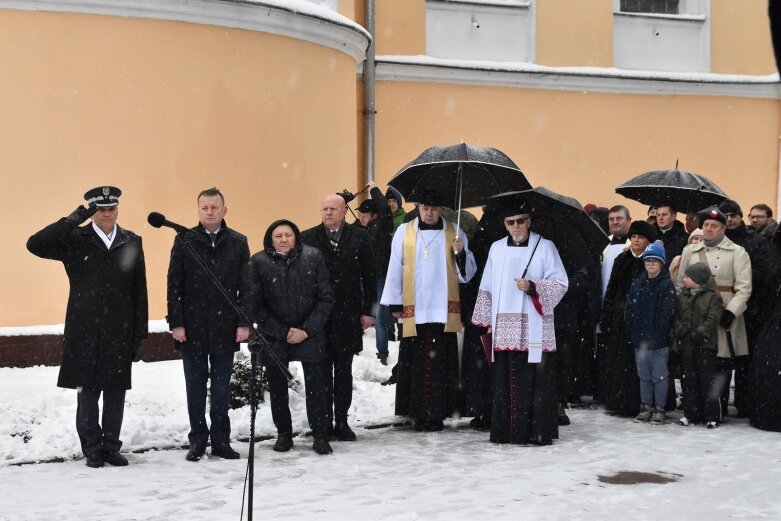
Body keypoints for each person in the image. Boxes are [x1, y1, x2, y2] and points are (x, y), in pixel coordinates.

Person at [27, 186, 148, 468]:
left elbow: (138, 289)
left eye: (111, 208)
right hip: (84, 327)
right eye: (100, 209)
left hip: (120, 328)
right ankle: (92, 447)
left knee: (116, 391)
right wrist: (71, 220)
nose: (106, 214)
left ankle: (111, 446)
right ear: (92, 212)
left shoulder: (131, 240)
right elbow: (35, 245)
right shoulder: (74, 238)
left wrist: (139, 331)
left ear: (117, 209)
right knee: (89, 391)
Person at [472, 200, 568, 445]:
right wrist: (488, 320)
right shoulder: (496, 249)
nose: (516, 226)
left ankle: (536, 431)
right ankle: (506, 431)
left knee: (535, 380)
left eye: (520, 221)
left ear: (529, 221)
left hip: (534, 324)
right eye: (510, 222)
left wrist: (533, 287)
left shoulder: (545, 247)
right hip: (504, 324)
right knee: (506, 379)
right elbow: (487, 285)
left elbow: (560, 283)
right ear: (504, 224)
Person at [381, 188, 477, 431]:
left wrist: (461, 253)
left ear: (442, 210)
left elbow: (466, 275)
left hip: (443, 309)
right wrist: (395, 301)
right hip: (414, 307)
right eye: (425, 208)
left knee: (440, 364)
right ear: (419, 208)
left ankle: (437, 413)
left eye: (434, 209)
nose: (429, 213)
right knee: (414, 361)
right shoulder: (405, 231)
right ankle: (414, 412)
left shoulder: (455, 233)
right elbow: (395, 265)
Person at [166, 187, 250, 461]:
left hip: (226, 327)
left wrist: (243, 322)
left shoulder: (238, 242)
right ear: (198, 210)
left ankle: (221, 440)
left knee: (222, 388)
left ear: (225, 210)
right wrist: (176, 323)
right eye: (204, 208)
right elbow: (173, 284)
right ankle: (198, 440)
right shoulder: (185, 240)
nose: (209, 212)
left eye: (215, 207)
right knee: (195, 387)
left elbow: (246, 287)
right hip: (192, 328)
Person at [249, 219, 335, 454]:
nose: (284, 239)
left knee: (317, 387)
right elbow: (254, 305)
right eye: (278, 236)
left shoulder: (313, 257)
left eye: (288, 235)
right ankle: (284, 434)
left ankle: (320, 434)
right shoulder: (258, 262)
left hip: (310, 334)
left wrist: (306, 330)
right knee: (277, 388)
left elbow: (326, 298)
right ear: (270, 239)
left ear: (296, 237)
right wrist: (282, 331)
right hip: (276, 336)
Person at [301, 193, 376, 442]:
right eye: (324, 209)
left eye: (334, 209)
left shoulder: (360, 237)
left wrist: (369, 312)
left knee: (343, 371)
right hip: (318, 317)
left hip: (348, 314)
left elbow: (370, 275)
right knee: (319, 372)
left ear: (345, 211)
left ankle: (341, 421)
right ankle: (321, 423)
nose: (328, 213)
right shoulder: (308, 238)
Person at [675, 207, 752, 421]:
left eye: (714, 226)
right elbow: (681, 283)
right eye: (706, 225)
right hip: (695, 313)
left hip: (725, 311)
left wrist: (731, 312)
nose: (709, 229)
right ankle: (695, 409)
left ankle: (717, 409)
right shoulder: (690, 251)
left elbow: (744, 288)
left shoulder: (738, 252)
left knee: (721, 363)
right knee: (695, 362)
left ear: (723, 229)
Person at [599, 220, 656, 416]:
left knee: (638, 362)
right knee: (618, 361)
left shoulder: (651, 260)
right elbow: (612, 289)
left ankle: (638, 402)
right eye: (633, 237)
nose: (636, 240)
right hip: (620, 317)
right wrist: (607, 315)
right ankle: (618, 401)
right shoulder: (622, 259)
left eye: (640, 237)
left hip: (642, 317)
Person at [626, 241, 677, 425]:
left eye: (655, 261)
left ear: (661, 263)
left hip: (658, 339)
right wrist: (633, 327)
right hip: (640, 339)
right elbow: (630, 307)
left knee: (660, 375)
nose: (651, 264)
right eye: (648, 261)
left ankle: (660, 407)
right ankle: (646, 405)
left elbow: (668, 311)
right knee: (644, 375)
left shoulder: (666, 285)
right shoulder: (638, 283)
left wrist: (659, 330)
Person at [673, 262, 724, 428]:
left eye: (688, 276)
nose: (684, 279)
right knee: (689, 380)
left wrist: (699, 333)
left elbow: (712, 320)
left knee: (707, 381)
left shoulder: (713, 297)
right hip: (687, 345)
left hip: (706, 346)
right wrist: (681, 330)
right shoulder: (683, 296)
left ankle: (712, 416)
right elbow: (676, 317)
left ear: (698, 279)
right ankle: (691, 414)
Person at [594, 205, 632, 401]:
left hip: (621, 305)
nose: (615, 222)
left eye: (619, 218)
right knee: (604, 351)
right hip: (604, 304)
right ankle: (604, 391)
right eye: (612, 219)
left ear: (629, 220)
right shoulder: (604, 244)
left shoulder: (633, 246)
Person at [355, 182, 394, 365]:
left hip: (378, 277)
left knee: (379, 317)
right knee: (354, 313)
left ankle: (383, 353)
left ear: (374, 216)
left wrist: (374, 189)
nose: (361, 219)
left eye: (365, 216)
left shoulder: (383, 226)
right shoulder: (357, 229)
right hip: (359, 277)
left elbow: (385, 208)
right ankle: (354, 347)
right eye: (360, 215)